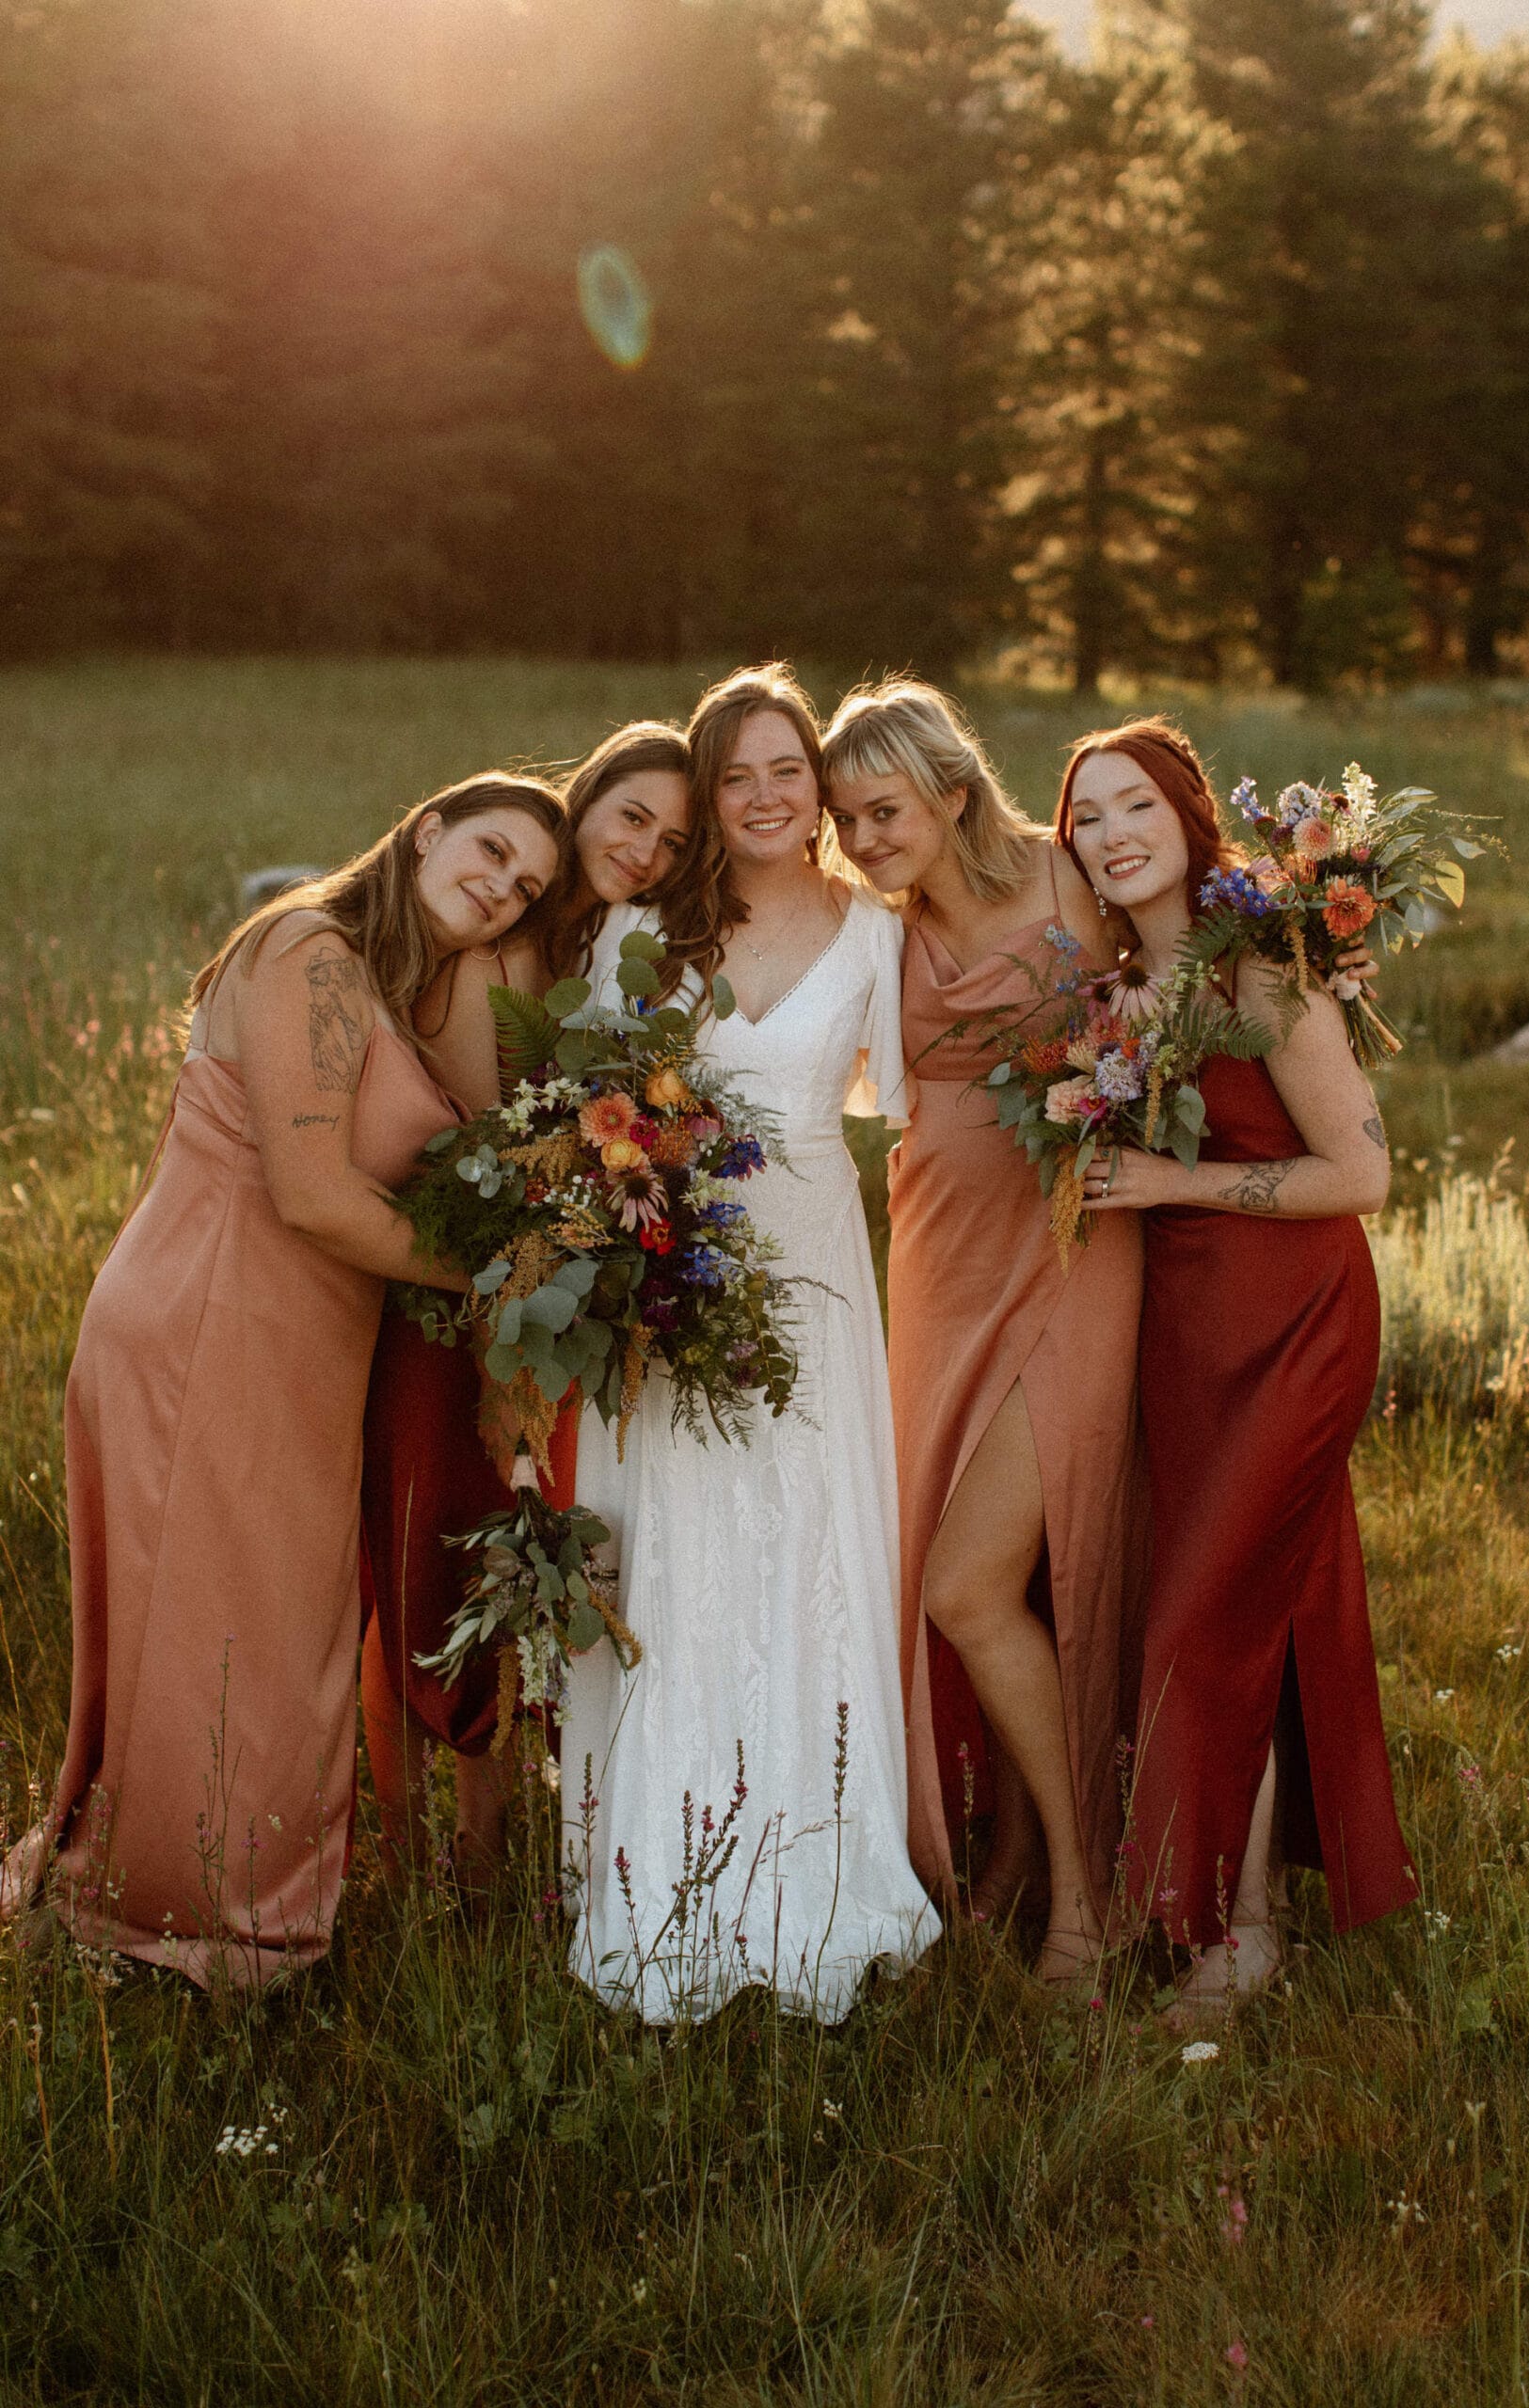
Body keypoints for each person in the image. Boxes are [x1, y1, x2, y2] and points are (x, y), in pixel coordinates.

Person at [0, 776, 562, 1985]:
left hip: (297, 1345)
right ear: (425, 828)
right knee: (211, 1627)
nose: (501, 885)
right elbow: (310, 1194)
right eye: (492, 849)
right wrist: (502, 1275)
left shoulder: (389, 988)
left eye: (524, 887)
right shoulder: (311, 945)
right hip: (210, 1319)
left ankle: (237, 1888)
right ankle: (174, 1904)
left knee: (271, 1629)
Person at [563, 665, 941, 2023]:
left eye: (792, 771)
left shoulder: (874, 935)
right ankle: (661, 1863)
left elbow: (907, 1114)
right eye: (741, 775)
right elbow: (582, 1110)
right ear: (710, 795)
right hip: (667, 1277)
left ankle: (819, 1858)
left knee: (808, 1542)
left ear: (820, 790)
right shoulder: (638, 935)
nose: (771, 795)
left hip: (813, 1278)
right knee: (677, 1547)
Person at [1062, 718, 1417, 2011]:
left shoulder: (1262, 967)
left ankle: (1238, 1934)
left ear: (1185, 814)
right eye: (1084, 818)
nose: (1109, 834)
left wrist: (1168, 1179)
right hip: (1179, 1337)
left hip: (1294, 1321)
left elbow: (1360, 1175)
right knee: (1244, 1606)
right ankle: (1232, 1902)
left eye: (1131, 806)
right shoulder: (1107, 1003)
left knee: (1200, 1616)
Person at [822, 681, 1144, 1988]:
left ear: (953, 794)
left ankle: (1088, 1898)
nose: (859, 835)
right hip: (938, 1260)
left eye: (882, 809)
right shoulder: (868, 934)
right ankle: (1007, 1852)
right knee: (965, 1580)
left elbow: (1200, 953)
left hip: (1071, 1247)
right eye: (843, 817)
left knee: (967, 1583)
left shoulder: (1075, 887)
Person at [358, 727, 693, 1879]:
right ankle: (417, 1853)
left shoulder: (600, 951)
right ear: (587, 799)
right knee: (431, 1554)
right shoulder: (494, 957)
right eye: (632, 816)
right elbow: (465, 1144)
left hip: (544, 1308)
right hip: (455, 1303)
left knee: (513, 1550)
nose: (647, 850)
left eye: (674, 839)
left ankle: (485, 1845)